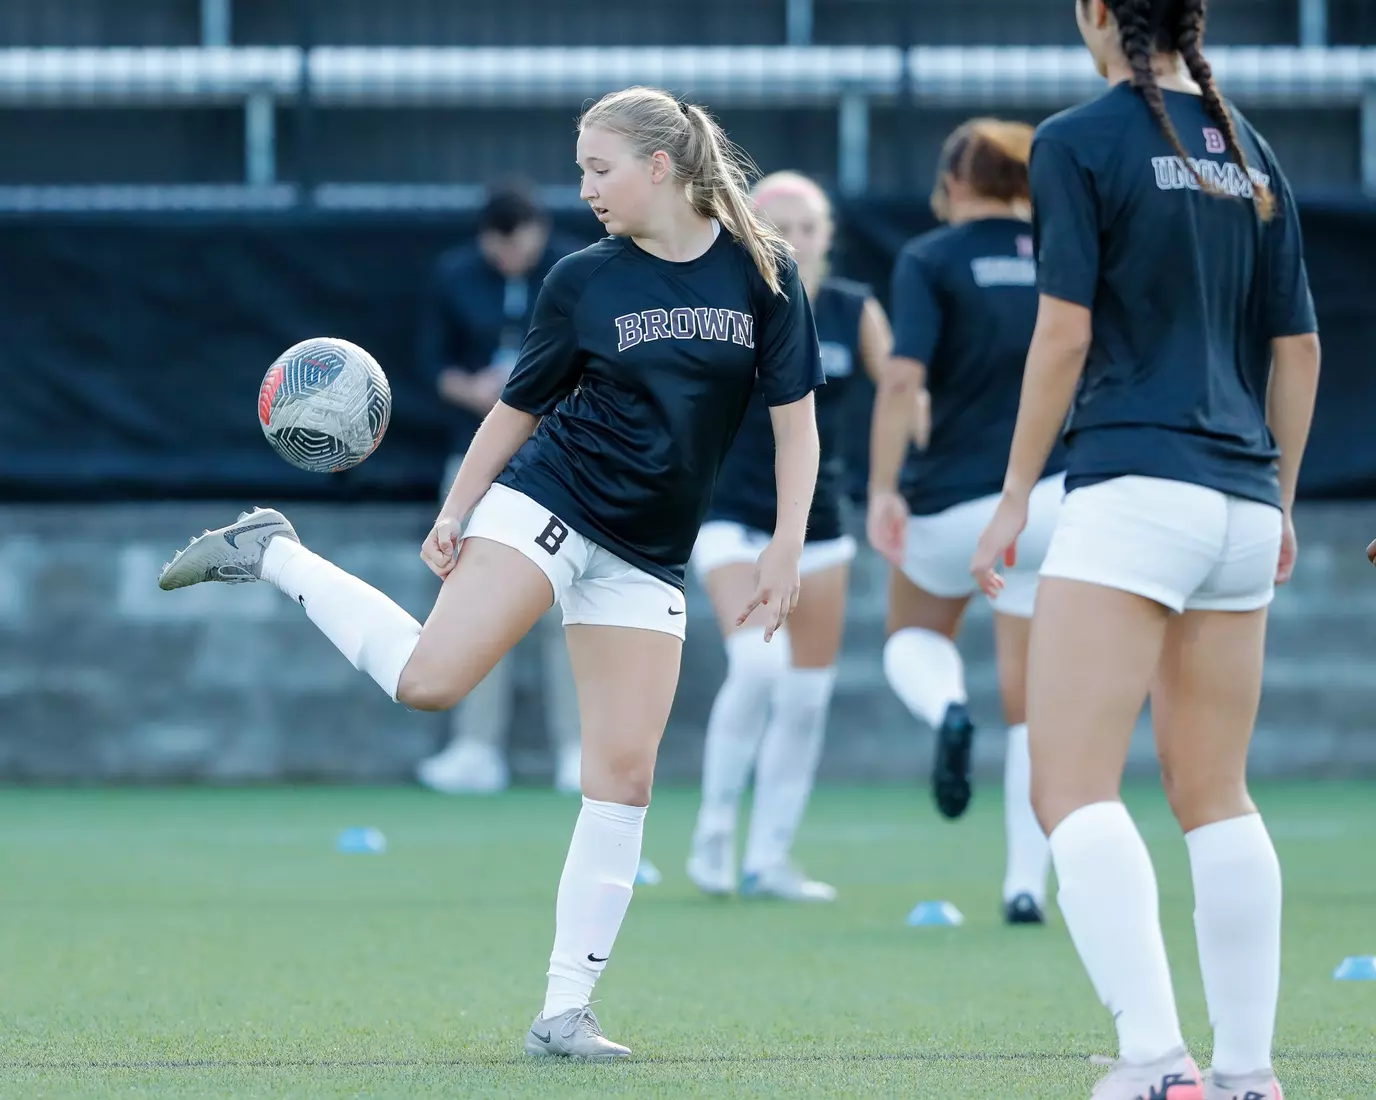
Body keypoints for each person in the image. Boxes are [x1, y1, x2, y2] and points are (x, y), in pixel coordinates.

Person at [158, 85, 822, 1062]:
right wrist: (456, 508)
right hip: (551, 505)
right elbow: (515, 410)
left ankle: (564, 1010)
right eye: (581, 166)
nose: (583, 185)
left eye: (599, 167)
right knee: (430, 681)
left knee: (623, 777)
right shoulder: (581, 280)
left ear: (659, 166)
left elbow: (795, 418)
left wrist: (786, 541)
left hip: (649, 551)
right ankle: (276, 551)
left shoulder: (764, 273)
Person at [969, 1, 1319, 1096]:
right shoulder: (1249, 146)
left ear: (1094, 14)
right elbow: (1297, 348)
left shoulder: (1074, 139)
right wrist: (1281, 501)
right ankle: (1249, 1073)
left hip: (1133, 491)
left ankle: (1155, 1061)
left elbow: (1063, 332)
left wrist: (1014, 491)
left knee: (1067, 788)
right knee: (1215, 794)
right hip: (1239, 503)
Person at [868, 118, 1064, 925]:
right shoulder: (1065, 254)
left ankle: (947, 709)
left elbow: (902, 379)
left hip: (950, 501)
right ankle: (1025, 886)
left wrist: (885, 486)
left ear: (953, 183)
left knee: (912, 636)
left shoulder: (929, 258)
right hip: (1049, 499)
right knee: (1031, 704)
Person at [686, 171, 892, 903]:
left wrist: (908, 461)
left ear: (828, 234)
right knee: (758, 669)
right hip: (730, 520)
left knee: (806, 697)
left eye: (810, 226)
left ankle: (768, 857)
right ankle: (713, 831)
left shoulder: (850, 308)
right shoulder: (725, 302)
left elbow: (902, 388)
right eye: (783, 226)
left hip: (819, 527)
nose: (798, 239)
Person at [416, 181, 583, 795]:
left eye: (521, 242)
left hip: (558, 459)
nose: (511, 256)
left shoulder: (574, 270)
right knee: (471, 599)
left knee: (563, 599)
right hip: (473, 457)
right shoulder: (454, 276)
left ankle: (577, 750)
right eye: (500, 245)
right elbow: (431, 365)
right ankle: (475, 748)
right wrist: (480, 392)